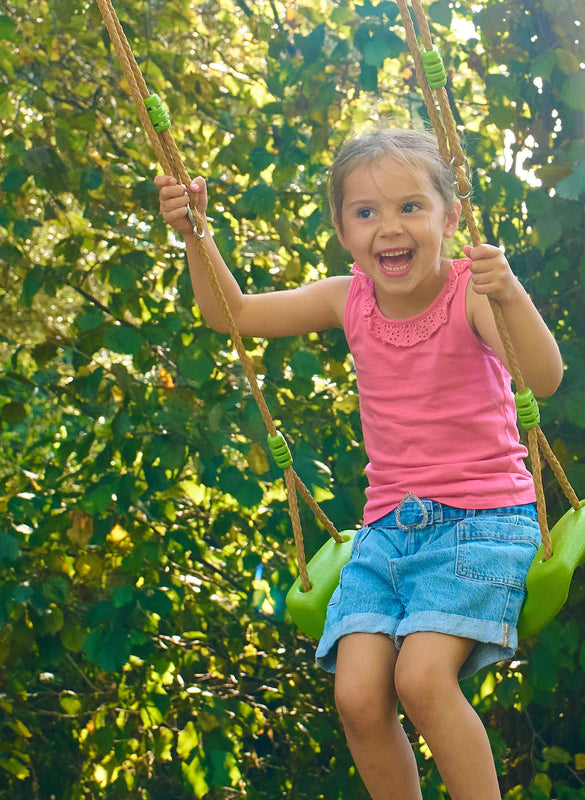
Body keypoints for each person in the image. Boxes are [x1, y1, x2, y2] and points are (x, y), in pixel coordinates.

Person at [156, 128, 563, 800]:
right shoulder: (348, 299)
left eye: (410, 206)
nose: (389, 227)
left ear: (449, 218)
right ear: (343, 231)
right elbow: (230, 314)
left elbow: (543, 379)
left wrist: (511, 294)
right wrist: (197, 235)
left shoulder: (471, 294)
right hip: (387, 536)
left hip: (484, 521)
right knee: (357, 696)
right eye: (365, 212)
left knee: (422, 680)